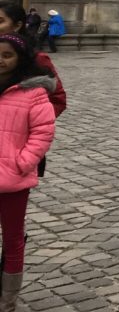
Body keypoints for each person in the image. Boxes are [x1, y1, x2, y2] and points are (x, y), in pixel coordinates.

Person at [0, 32, 56, 311]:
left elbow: (43, 132)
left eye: (7, 55)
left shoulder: (32, 92)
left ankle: (7, 301)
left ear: (20, 58)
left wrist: (22, 163)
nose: (0, 61)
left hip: (13, 180)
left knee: (12, 239)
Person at [0, 2, 66, 177]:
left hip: (16, 148)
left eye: (0, 21)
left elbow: (57, 100)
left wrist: (25, 122)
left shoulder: (37, 60)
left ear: (18, 25)